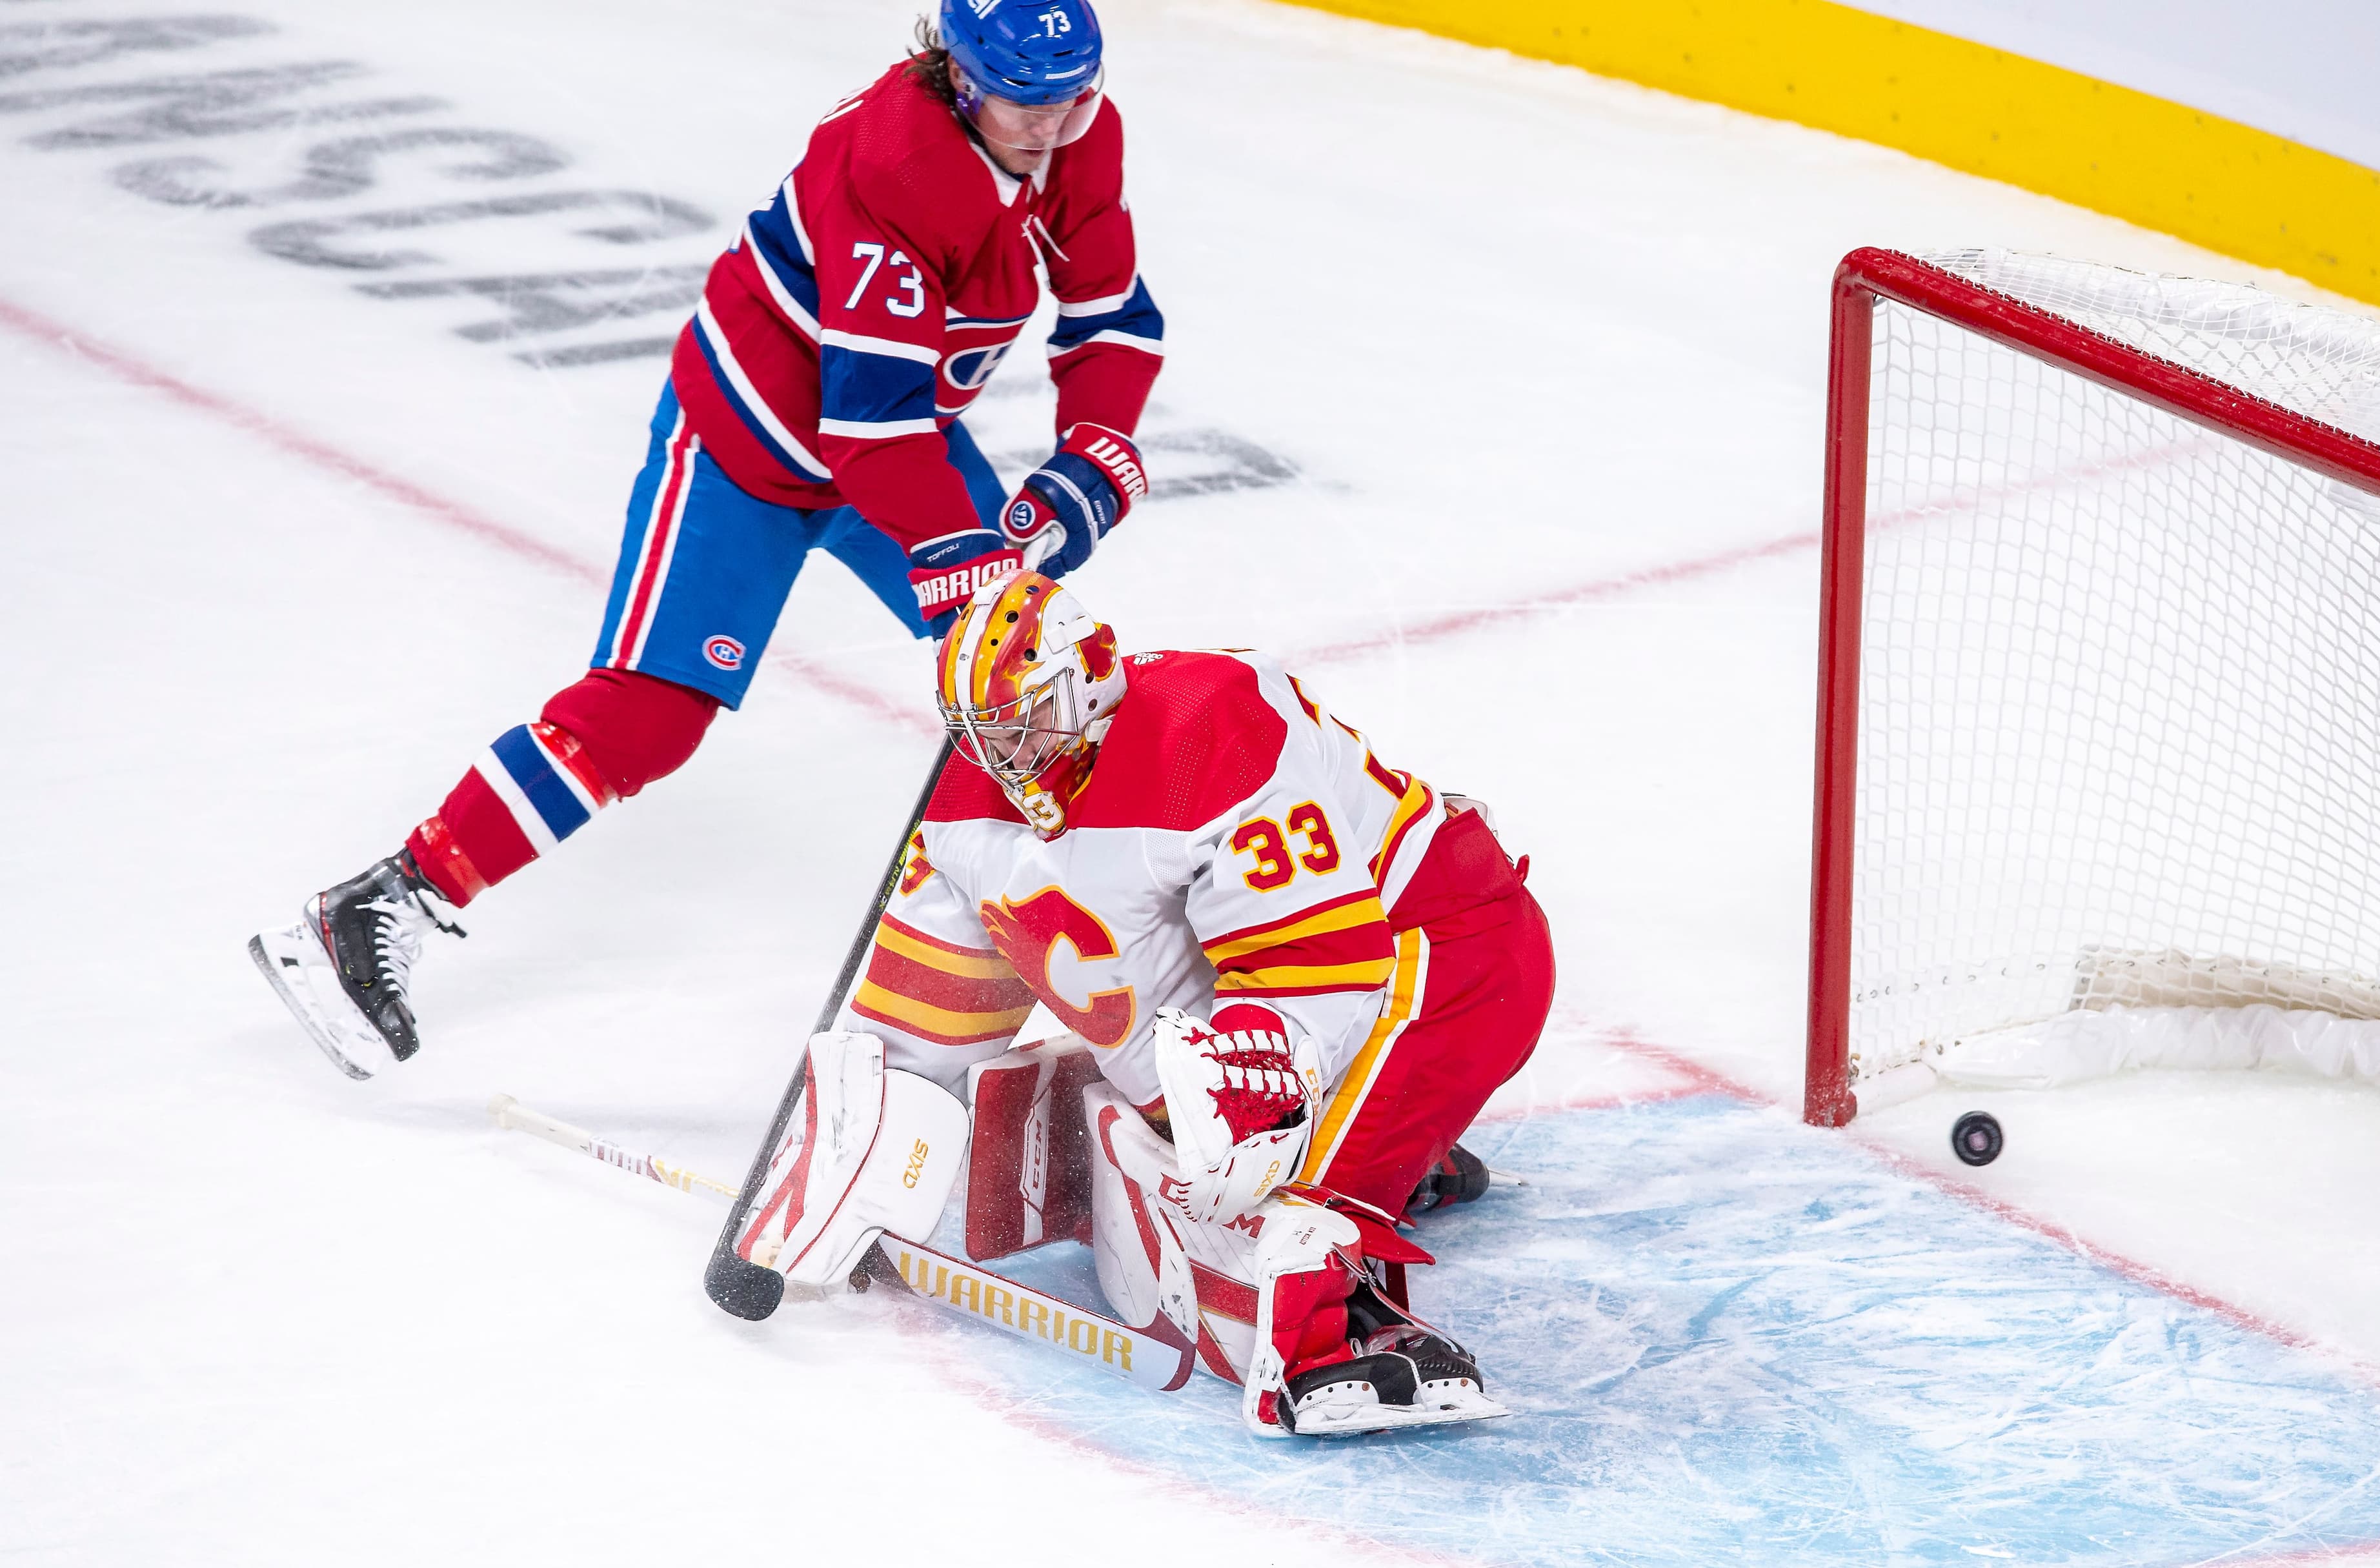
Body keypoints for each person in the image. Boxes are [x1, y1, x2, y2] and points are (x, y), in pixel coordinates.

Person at [249, 0, 1164, 1078]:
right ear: (960, 78)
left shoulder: (1071, 136)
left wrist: (1090, 457)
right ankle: (377, 905)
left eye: (1073, 97)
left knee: (1039, 679)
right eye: (1027, 101)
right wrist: (975, 555)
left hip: (902, 439)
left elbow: (1110, 317)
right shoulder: (895, 167)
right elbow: (864, 433)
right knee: (649, 716)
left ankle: (1134, 972)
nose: (1053, 126)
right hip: (747, 454)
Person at [731, 570, 1555, 1435]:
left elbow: (1321, 966)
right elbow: (919, 1017)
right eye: (981, 731)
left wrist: (1252, 1104)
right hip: (1314, 977)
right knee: (1196, 1090)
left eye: (1027, 718)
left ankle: (1332, 1320)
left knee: (1270, 1193)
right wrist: (846, 1168)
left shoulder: (1210, 725)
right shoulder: (966, 809)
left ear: (1091, 676)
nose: (1008, 752)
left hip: (1447, 950)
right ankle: (1372, 1140)